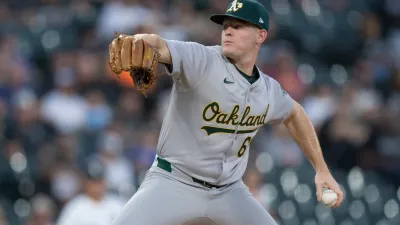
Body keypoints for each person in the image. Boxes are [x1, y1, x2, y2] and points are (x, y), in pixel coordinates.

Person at [110, 0, 344, 225]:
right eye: (226, 26)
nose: (229, 31)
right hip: (174, 182)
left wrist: (321, 169)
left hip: (229, 192)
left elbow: (295, 114)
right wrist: (138, 40)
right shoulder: (202, 59)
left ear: (261, 35)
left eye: (239, 26)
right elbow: (159, 45)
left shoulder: (268, 89)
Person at [56, 158, 124, 225]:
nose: (97, 185)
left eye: (100, 181)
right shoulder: (74, 207)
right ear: (85, 183)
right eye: (93, 181)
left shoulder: (117, 204)